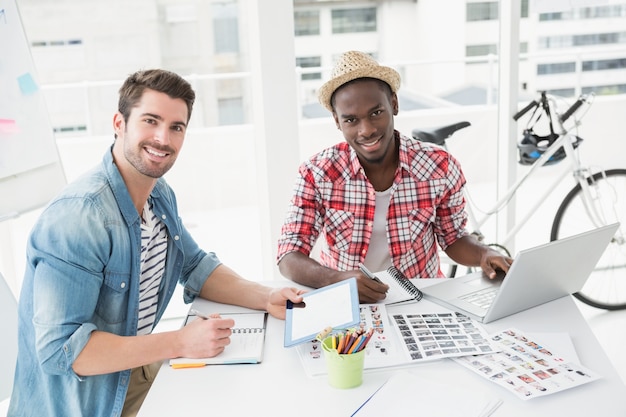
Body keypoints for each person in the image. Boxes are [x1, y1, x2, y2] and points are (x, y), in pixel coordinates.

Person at [9, 69, 304, 417]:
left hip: (129, 373)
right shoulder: (79, 218)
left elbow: (193, 266)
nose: (163, 138)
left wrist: (265, 296)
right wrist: (181, 342)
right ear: (120, 123)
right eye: (151, 121)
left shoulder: (158, 194)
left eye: (176, 127)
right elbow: (63, 351)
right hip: (86, 404)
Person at [276, 51, 512, 303]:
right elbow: (289, 255)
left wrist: (484, 254)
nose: (366, 130)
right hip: (348, 301)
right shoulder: (317, 173)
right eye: (351, 120)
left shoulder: (439, 166)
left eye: (376, 113)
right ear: (337, 121)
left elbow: (453, 238)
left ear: (394, 104)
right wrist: (337, 280)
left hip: (421, 300)